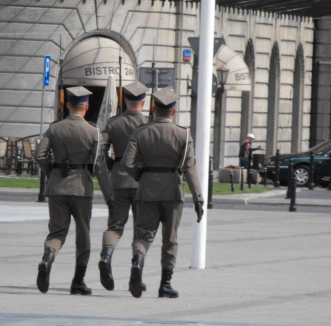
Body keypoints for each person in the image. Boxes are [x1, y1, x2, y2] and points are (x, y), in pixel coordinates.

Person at [121, 88, 204, 299]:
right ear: (173, 111)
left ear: (154, 109)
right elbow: (190, 168)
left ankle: (138, 262)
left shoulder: (140, 132)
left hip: (147, 189)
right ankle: (165, 284)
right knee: (170, 238)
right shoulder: (183, 134)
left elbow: (126, 163)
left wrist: (141, 175)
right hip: (173, 191)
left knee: (143, 234)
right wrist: (198, 198)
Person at [34, 86, 113, 296]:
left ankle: (47, 258)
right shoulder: (93, 131)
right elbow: (98, 166)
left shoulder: (54, 128)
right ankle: (78, 280)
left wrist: (52, 171)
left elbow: (39, 155)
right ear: (86, 106)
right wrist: (109, 195)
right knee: (83, 232)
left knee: (57, 231)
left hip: (57, 187)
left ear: (67, 105)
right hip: (81, 187)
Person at [98, 81, 150, 292]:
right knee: (142, 230)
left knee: (115, 226)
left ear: (125, 101)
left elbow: (100, 151)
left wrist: (111, 164)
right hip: (142, 182)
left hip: (118, 179)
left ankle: (106, 256)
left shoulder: (113, 123)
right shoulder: (149, 123)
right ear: (143, 102)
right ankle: (137, 267)